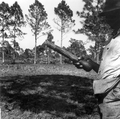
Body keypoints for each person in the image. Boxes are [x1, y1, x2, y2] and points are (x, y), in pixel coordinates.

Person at [73, 0, 120, 119]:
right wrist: (91, 64)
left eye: (111, 15)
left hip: (115, 97)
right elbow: (108, 71)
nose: (107, 20)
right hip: (105, 95)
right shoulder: (113, 40)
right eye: (106, 16)